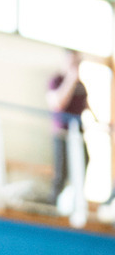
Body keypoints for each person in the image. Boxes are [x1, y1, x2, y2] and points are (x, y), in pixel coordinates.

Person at [47, 50, 90, 205]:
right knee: (61, 172)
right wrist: (71, 79)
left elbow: (86, 107)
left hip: (78, 135)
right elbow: (58, 103)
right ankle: (54, 204)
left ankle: (76, 201)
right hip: (62, 134)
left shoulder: (82, 86)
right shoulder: (56, 80)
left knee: (83, 165)